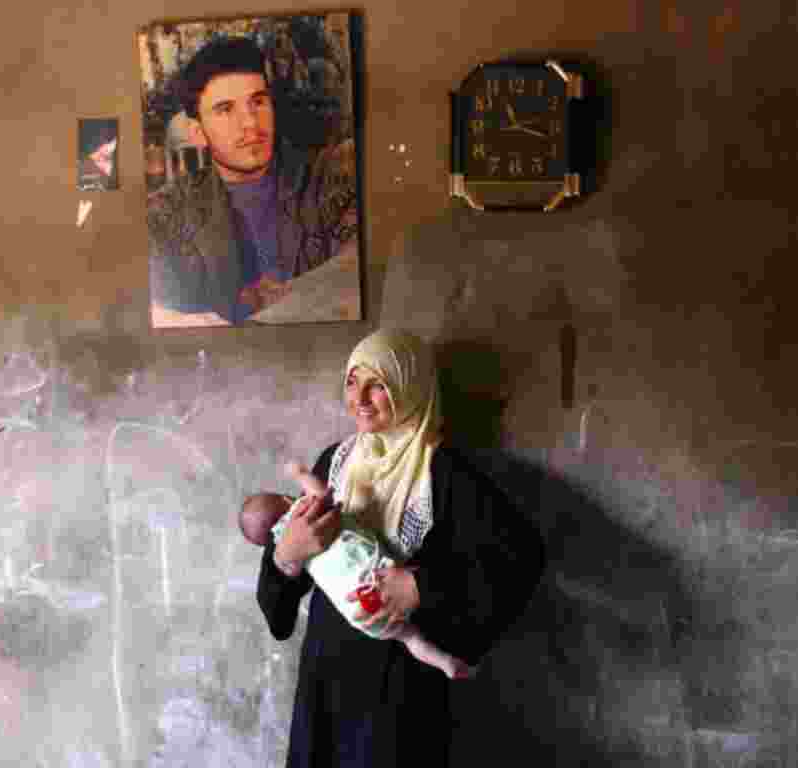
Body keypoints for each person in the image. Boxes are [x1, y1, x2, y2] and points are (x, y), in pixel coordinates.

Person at [253, 329, 546, 768]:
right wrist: (286, 555)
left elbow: (519, 558)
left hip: (399, 693)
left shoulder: (443, 472)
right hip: (326, 684)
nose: (361, 398)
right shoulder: (333, 462)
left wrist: (421, 586)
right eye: (353, 381)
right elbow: (279, 605)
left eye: (379, 385)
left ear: (409, 388)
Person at [147, 35, 358, 325]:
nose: (250, 122)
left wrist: (287, 296)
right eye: (225, 109)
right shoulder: (166, 212)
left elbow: (360, 274)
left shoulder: (329, 178)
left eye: (258, 102)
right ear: (197, 132)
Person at [240, 462, 474, 680]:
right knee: (415, 603)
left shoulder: (281, 538)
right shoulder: (302, 509)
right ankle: (446, 658)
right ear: (285, 498)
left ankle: (444, 662)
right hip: (378, 575)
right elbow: (278, 621)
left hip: (359, 612)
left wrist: (286, 560)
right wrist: (300, 475)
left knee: (410, 637)